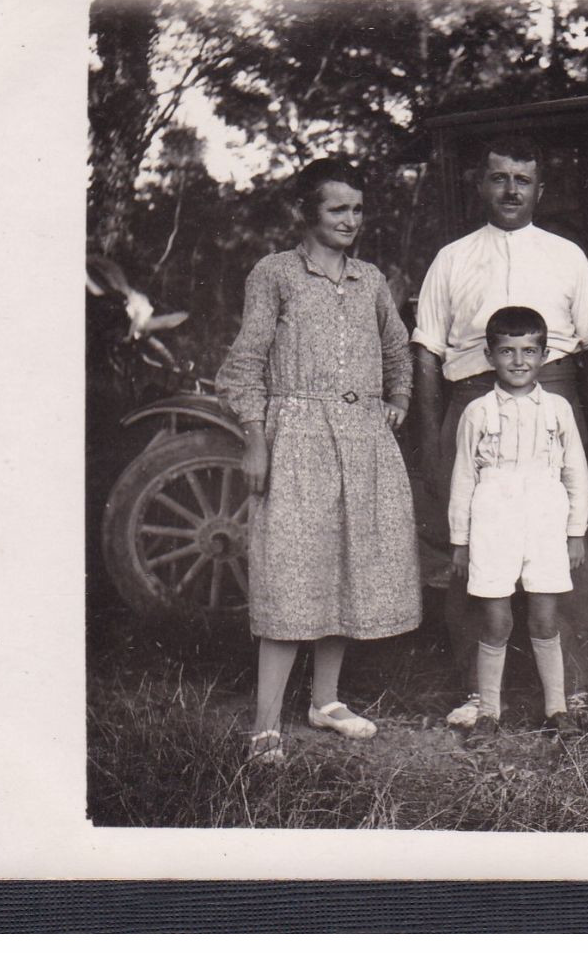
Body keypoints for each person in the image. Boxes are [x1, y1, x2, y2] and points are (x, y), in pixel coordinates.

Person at [216, 159, 422, 765]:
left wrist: (398, 400)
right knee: (290, 570)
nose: (350, 221)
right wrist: (255, 438)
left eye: (357, 210)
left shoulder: (371, 279)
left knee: (346, 566)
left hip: (361, 440)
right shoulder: (275, 274)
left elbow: (397, 348)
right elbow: (247, 359)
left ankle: (325, 702)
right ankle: (265, 725)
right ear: (309, 212)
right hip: (297, 435)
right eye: (338, 209)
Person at [412, 134, 588, 728]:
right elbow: (426, 350)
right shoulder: (452, 257)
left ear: (539, 189)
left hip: (555, 401)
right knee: (472, 548)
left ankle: (577, 688)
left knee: (567, 547)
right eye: (499, 178)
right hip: (474, 401)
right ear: (482, 184)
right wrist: (430, 440)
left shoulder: (566, 255)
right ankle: (477, 692)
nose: (510, 190)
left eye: (522, 180)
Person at [447, 307, 588, 744]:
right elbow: (463, 478)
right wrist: (461, 541)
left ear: (545, 355)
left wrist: (575, 532)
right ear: (490, 356)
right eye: (507, 352)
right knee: (496, 619)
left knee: (546, 618)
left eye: (529, 351)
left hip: (545, 518)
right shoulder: (477, 411)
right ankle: (488, 710)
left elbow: (575, 474)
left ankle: (557, 707)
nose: (518, 361)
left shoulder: (558, 409)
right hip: (493, 518)